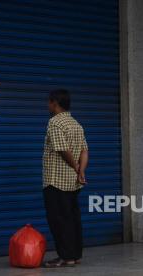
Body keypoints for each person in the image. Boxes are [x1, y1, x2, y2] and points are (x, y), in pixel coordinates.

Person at [42, 89, 89, 268]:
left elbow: (62, 149)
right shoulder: (76, 124)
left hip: (56, 182)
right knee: (72, 219)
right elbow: (85, 150)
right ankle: (75, 255)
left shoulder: (55, 123)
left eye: (49, 102)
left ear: (55, 103)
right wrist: (81, 171)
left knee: (58, 220)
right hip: (73, 182)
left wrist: (76, 168)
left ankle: (65, 257)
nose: (48, 105)